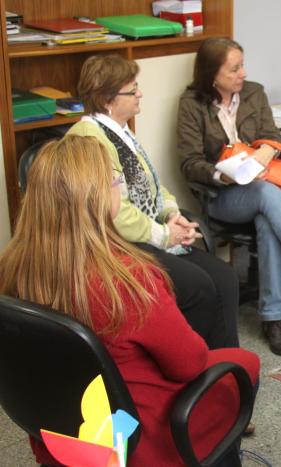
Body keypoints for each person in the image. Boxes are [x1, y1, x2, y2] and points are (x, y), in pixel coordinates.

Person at [0, 135, 260, 466]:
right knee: (244, 362)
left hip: (63, 429)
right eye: (114, 181)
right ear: (95, 199)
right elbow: (190, 363)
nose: (118, 188)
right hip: (139, 436)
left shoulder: (11, 269)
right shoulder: (127, 279)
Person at [176, 37, 281, 356]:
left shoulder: (254, 92)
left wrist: (265, 152)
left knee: (268, 219)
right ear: (213, 74)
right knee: (268, 196)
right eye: (234, 68)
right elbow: (188, 162)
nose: (243, 73)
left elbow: (274, 137)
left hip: (262, 187)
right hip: (224, 196)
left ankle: (271, 318)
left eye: (242, 65)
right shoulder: (192, 104)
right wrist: (222, 174)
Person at [68, 54, 239, 350]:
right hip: (120, 246)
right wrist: (164, 234)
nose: (140, 93)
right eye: (133, 89)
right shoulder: (89, 139)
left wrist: (173, 215)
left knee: (224, 278)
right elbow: (115, 212)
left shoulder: (122, 132)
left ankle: (227, 368)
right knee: (199, 287)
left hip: (147, 236)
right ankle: (193, 370)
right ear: (108, 98)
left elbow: (155, 186)